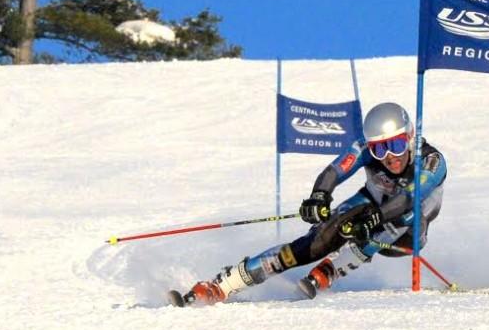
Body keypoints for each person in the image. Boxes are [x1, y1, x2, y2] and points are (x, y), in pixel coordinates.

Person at [177, 102, 447, 305]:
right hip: (372, 205)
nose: (389, 157)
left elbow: (408, 198)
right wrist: (320, 196)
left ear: (410, 135)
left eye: (397, 145)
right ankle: (223, 285)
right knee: (315, 242)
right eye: (379, 149)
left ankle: (334, 268)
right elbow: (334, 172)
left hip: (409, 231)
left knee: (404, 217)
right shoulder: (364, 149)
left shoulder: (432, 161)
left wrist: (374, 219)